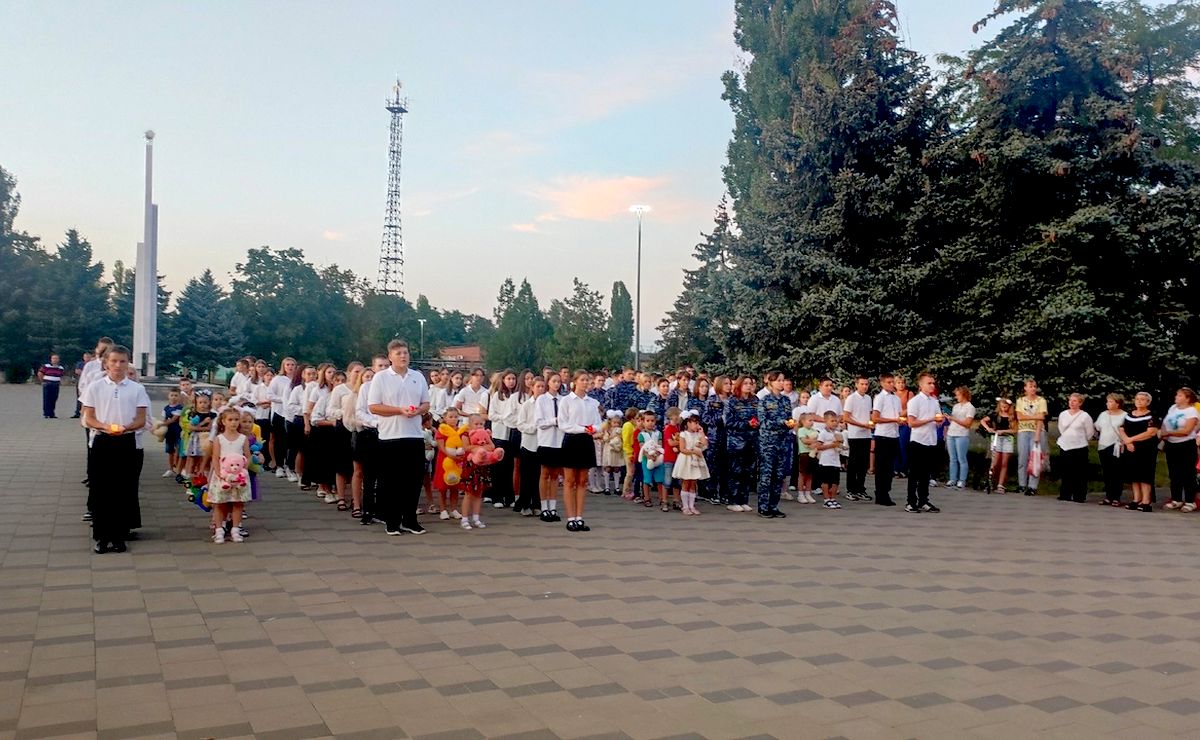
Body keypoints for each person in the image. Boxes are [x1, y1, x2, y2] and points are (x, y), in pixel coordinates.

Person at [80, 344, 149, 553]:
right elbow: (89, 417)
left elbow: (141, 419)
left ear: (128, 364)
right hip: (102, 441)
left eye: (122, 361)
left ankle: (119, 535)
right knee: (101, 488)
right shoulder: (95, 387)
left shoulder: (137, 389)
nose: (118, 365)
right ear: (106, 363)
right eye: (114, 361)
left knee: (123, 488)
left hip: (126, 441)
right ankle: (102, 536)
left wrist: (125, 428)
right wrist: (105, 427)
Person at [367, 339, 430, 536]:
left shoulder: (417, 376)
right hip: (390, 437)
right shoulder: (381, 378)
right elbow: (374, 407)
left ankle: (410, 520)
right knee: (391, 482)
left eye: (405, 352)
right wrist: (399, 410)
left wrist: (418, 410)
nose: (403, 356)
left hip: (414, 435)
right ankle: (392, 521)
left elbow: (426, 403)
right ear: (390, 357)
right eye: (398, 353)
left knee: (413, 480)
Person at [558, 371, 602, 531]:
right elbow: (563, 424)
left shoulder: (592, 402)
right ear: (575, 382)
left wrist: (592, 428)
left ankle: (579, 517)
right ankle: (570, 518)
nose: (585, 383)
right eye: (582, 380)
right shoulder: (566, 401)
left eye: (587, 380)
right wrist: (582, 428)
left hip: (586, 441)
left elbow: (598, 423)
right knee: (570, 480)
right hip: (572, 440)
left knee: (583, 480)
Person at [209, 407, 252, 543]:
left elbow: (248, 456)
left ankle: (235, 529)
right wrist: (218, 473)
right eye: (230, 420)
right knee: (220, 504)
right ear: (223, 421)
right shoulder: (219, 439)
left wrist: (243, 470)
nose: (233, 422)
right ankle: (219, 530)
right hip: (223, 476)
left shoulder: (243, 438)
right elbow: (215, 457)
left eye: (236, 420)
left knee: (238, 503)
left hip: (239, 476)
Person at [355, 355, 389, 525]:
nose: (383, 369)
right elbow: (360, 412)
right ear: (373, 368)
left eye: (386, 365)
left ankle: (382, 510)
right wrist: (376, 422)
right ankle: (367, 510)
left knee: (385, 475)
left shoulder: (393, 385)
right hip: (371, 433)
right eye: (380, 366)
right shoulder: (366, 387)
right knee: (369, 475)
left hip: (390, 434)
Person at [755, 370, 793, 518]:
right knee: (766, 475)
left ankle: (774, 506)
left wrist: (790, 423)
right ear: (770, 382)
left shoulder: (786, 400)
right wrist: (781, 422)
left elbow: (789, 418)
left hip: (782, 442)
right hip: (768, 443)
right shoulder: (764, 400)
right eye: (778, 380)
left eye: (783, 380)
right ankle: (763, 507)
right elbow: (763, 422)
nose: (782, 383)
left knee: (778, 476)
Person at [905, 373, 942, 513]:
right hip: (918, 440)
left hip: (930, 440)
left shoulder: (934, 401)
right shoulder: (915, 401)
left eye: (933, 383)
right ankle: (911, 502)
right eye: (929, 383)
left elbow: (937, 420)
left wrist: (939, 421)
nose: (932, 385)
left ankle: (923, 500)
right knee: (914, 473)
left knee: (926, 474)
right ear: (921, 385)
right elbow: (911, 423)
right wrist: (930, 419)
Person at [1159, 388, 1199, 511]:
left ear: (1187, 399)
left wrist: (1168, 433)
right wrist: (1163, 434)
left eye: (1180, 395)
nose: (1176, 397)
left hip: (1186, 445)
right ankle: (1176, 499)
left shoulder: (1192, 411)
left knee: (1188, 473)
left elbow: (1187, 431)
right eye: (1177, 395)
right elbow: (1165, 423)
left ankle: (1190, 501)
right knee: (1174, 473)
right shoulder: (1173, 408)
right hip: (1171, 444)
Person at [1119, 392, 1159, 513]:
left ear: (1148, 402)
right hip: (1131, 447)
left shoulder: (1152, 416)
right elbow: (1121, 429)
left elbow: (1151, 432)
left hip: (1146, 449)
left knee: (1145, 475)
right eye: (1137, 399)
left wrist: (1131, 439)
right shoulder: (1129, 414)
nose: (1139, 401)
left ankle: (1146, 501)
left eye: (1142, 399)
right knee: (1134, 474)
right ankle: (1136, 499)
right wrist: (1127, 442)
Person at [724, 376, 759, 512]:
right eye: (745, 383)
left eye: (750, 383)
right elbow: (728, 422)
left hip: (752, 440)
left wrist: (757, 423)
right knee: (735, 472)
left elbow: (760, 416)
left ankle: (744, 500)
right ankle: (733, 501)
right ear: (739, 385)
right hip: (736, 442)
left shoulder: (755, 400)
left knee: (747, 473)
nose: (748, 386)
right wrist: (746, 424)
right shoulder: (732, 401)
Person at [486, 370, 520, 509]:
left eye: (513, 378)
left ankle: (509, 496)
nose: (511, 381)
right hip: (499, 434)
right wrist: (504, 418)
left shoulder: (517, 396)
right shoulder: (497, 396)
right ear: (503, 380)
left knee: (509, 466)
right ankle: (497, 496)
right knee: (498, 466)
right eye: (508, 378)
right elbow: (491, 415)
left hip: (512, 434)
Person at [535, 373, 565, 522]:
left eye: (559, 382)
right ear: (548, 382)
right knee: (545, 474)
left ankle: (552, 507)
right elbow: (539, 422)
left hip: (559, 441)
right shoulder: (541, 399)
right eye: (554, 381)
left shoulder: (563, 400)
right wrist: (555, 420)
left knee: (555, 475)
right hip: (546, 441)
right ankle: (544, 507)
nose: (556, 384)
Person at [1056, 393, 1096, 503]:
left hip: (1079, 446)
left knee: (1079, 472)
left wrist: (1079, 439)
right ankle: (1065, 494)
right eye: (1070, 400)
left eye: (1075, 401)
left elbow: (1089, 432)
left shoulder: (1085, 416)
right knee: (1066, 471)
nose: (1072, 403)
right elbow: (1061, 428)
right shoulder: (1063, 414)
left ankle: (1079, 495)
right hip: (1065, 445)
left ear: (1080, 403)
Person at [514, 376, 546, 516]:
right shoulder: (527, 405)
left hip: (542, 444)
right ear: (532, 388)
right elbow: (520, 424)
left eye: (543, 387)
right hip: (528, 444)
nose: (540, 389)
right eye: (538, 386)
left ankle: (537, 503)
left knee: (539, 476)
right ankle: (525, 504)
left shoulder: (546, 405)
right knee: (527, 476)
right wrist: (534, 427)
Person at [871, 373, 902, 506]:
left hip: (894, 434)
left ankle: (886, 491)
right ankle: (880, 493)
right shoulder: (880, 398)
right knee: (881, 467)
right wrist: (893, 420)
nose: (891, 384)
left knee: (889, 467)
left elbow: (899, 414)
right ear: (882, 383)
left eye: (892, 382)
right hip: (883, 435)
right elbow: (875, 418)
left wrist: (901, 419)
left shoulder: (896, 398)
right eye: (888, 382)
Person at [1016, 379, 1049, 496]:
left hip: (1036, 431)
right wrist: (1035, 416)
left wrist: (1037, 434)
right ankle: (1022, 484)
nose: (1033, 388)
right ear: (1025, 388)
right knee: (1022, 458)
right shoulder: (1020, 401)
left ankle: (1032, 486)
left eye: (1034, 386)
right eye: (1030, 386)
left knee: (1035, 458)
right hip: (1023, 431)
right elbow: (1019, 417)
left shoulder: (1041, 401)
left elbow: (1041, 418)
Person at [842, 375, 873, 500]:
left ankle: (860, 488)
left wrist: (870, 423)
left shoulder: (868, 398)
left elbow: (869, 414)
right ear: (856, 385)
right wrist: (861, 424)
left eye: (866, 384)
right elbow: (846, 417)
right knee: (853, 462)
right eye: (862, 384)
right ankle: (850, 489)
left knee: (863, 463)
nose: (864, 386)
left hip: (866, 434)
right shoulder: (851, 398)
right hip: (855, 434)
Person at [673, 411, 709, 515]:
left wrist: (702, 433)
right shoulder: (683, 434)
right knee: (686, 483)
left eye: (698, 423)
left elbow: (705, 444)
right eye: (695, 423)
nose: (697, 425)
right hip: (686, 460)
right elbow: (682, 449)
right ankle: (685, 506)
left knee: (693, 483)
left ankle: (692, 506)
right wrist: (694, 452)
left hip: (696, 461)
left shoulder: (698, 434)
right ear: (688, 423)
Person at [1094, 394, 1126, 506]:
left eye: (1111, 401)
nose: (1108, 403)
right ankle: (1108, 496)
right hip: (1103, 444)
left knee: (1117, 471)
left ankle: (1116, 497)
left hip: (1117, 445)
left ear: (1118, 403)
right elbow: (1097, 427)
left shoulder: (1124, 415)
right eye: (1107, 401)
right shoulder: (1103, 414)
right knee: (1107, 471)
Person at [268, 357, 296, 481]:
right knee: (280, 440)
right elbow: (269, 395)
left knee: (290, 442)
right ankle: (279, 466)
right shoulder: (278, 379)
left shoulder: (297, 380)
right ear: (283, 366)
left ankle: (289, 465)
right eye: (287, 364)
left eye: (292, 364)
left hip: (292, 414)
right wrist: (284, 400)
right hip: (280, 412)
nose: (290, 367)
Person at [980, 398, 1016, 493]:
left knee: (1004, 463)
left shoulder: (1012, 416)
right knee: (994, 462)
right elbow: (983, 421)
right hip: (996, 439)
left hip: (1007, 439)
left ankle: (1001, 485)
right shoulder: (995, 415)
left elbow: (1015, 430)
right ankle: (990, 482)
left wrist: (1003, 431)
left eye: (1006, 406)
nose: (1004, 407)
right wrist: (988, 428)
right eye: (1002, 405)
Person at [945, 387, 976, 489]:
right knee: (952, 458)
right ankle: (952, 479)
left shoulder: (970, 407)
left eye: (958, 395)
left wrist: (954, 419)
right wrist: (949, 418)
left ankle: (962, 480)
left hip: (961, 435)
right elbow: (953, 420)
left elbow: (968, 424)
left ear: (964, 395)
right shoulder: (956, 406)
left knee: (961, 458)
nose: (956, 397)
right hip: (951, 433)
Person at [813, 410, 843, 509]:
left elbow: (840, 445)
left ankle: (833, 498)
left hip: (836, 461)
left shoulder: (838, 433)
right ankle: (826, 499)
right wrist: (831, 445)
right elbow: (818, 446)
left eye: (836, 421)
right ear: (826, 421)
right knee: (826, 481)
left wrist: (841, 446)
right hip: (826, 461)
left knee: (835, 482)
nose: (835, 423)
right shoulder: (823, 433)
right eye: (832, 421)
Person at [161, 388, 184, 477]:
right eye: (172, 395)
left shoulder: (180, 408)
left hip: (178, 432)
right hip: (169, 432)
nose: (174, 397)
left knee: (179, 450)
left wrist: (161, 424)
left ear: (179, 397)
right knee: (170, 451)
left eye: (176, 395)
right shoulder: (166, 408)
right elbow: (164, 419)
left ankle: (178, 468)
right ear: (168, 396)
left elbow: (173, 419)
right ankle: (170, 469)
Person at [38, 353, 65, 418]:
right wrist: (42, 381)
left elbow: (61, 376)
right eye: (53, 358)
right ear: (51, 359)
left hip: (56, 384)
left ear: (58, 360)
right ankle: (46, 413)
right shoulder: (46, 366)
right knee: (47, 399)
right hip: (47, 384)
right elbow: (40, 373)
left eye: (56, 358)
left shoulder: (60, 368)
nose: (55, 360)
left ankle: (52, 413)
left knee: (54, 399)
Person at [72, 351, 90, 418]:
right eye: (85, 357)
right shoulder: (80, 364)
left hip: (89, 383)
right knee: (79, 398)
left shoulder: (92, 364)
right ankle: (77, 412)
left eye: (88, 357)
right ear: (83, 357)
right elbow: (77, 371)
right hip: (81, 382)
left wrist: (83, 372)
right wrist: (87, 373)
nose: (87, 358)